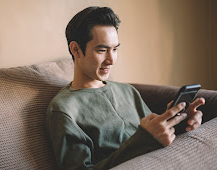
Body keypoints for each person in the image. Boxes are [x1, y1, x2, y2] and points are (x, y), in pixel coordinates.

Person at [46, 6, 205, 170]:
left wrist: (180, 123)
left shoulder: (128, 91)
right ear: (76, 49)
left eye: (115, 49)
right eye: (102, 50)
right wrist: (142, 143)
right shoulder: (63, 109)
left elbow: (156, 137)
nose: (111, 60)